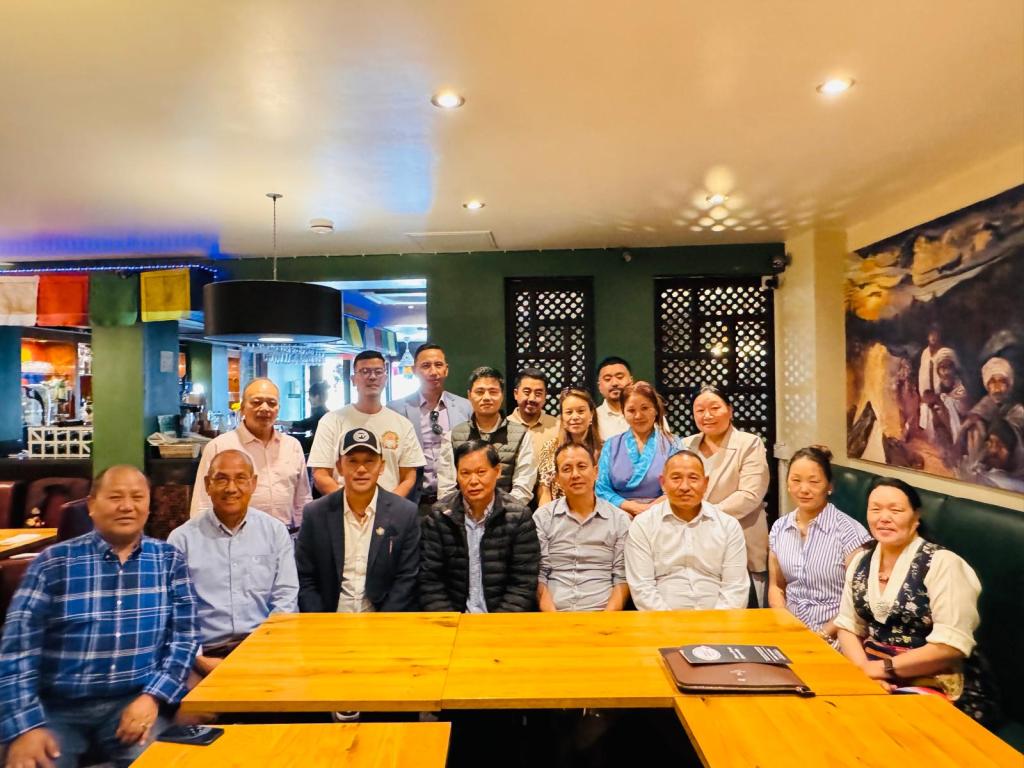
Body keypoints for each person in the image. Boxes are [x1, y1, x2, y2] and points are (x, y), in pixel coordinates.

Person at [0, 466, 198, 768]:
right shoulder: (52, 564)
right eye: (115, 497)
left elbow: (185, 638)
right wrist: (25, 727)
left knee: (164, 761)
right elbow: (17, 650)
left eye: (137, 497)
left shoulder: (168, 560)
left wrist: (153, 697)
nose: (127, 506)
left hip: (133, 701)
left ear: (149, 505)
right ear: (91, 505)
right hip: (55, 708)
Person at [835, 477, 1001, 727]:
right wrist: (863, 671)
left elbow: (949, 646)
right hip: (875, 674)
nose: (884, 517)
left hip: (939, 683)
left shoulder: (942, 564)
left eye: (896, 510)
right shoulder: (861, 562)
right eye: (875, 509)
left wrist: (881, 669)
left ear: (916, 518)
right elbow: (848, 625)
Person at [169, 450, 298, 676]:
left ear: (253, 483)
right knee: (195, 700)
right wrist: (198, 659)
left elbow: (285, 597)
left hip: (263, 648)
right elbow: (176, 609)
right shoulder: (182, 539)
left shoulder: (275, 532)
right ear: (208, 485)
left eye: (240, 478)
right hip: (204, 654)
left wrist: (265, 651)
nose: (231, 488)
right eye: (221, 479)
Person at [295, 428, 420, 613]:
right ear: (339, 467)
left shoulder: (404, 513)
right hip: (329, 619)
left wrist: (382, 624)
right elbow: (305, 578)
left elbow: (407, 579)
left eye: (369, 461)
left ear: (382, 466)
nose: (361, 469)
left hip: (384, 620)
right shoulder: (316, 514)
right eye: (352, 461)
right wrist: (322, 622)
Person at [420, 440, 539, 613]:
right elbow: (430, 582)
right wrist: (450, 622)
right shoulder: (439, 516)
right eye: (465, 473)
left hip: (502, 620)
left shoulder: (519, 517)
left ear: (497, 471)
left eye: (481, 472)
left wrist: (495, 624)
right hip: (453, 619)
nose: (473, 481)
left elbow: (523, 584)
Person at [767, 446, 870, 645]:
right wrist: (785, 625)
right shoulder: (780, 527)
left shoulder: (850, 533)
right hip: (789, 633)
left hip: (836, 637)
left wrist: (821, 636)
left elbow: (856, 603)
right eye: (796, 480)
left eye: (814, 482)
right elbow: (776, 586)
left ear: (829, 486)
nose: (804, 489)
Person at [625, 450, 749, 611]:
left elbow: (735, 588)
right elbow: (642, 588)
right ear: (663, 482)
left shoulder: (728, 526)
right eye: (676, 478)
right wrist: (670, 623)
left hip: (719, 620)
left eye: (693, 478)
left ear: (705, 483)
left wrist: (716, 622)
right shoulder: (643, 524)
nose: (684, 486)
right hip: (661, 621)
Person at [681, 385, 770, 606]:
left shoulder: (749, 443)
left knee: (742, 609)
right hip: (695, 544)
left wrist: (702, 515)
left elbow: (750, 494)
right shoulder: (685, 445)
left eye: (715, 408)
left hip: (741, 537)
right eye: (700, 410)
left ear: (730, 410)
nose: (707, 415)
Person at [190, 377, 312, 531]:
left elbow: (302, 499)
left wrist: (306, 535)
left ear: (278, 409)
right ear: (242, 408)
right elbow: (202, 504)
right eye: (256, 402)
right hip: (234, 537)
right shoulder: (219, 447)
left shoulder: (292, 446)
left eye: (272, 403)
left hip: (285, 536)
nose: (265, 408)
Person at [308, 350, 426, 498]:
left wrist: (388, 506)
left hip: (388, 509)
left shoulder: (403, 424)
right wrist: (350, 505)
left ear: (385, 378)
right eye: (365, 371)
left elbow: (408, 477)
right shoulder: (331, 421)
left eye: (378, 372)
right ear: (353, 379)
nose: (372, 377)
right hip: (341, 508)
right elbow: (320, 474)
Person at [535, 443, 630, 612]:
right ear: (557, 478)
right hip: (554, 615)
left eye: (582, 466)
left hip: (603, 615)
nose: (575, 475)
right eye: (566, 469)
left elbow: (621, 578)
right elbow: (540, 576)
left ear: (596, 472)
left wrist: (606, 621)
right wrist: (553, 620)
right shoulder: (543, 518)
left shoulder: (619, 519)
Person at [387, 343, 473, 516]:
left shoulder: (465, 407)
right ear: (414, 370)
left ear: (446, 370)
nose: (433, 371)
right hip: (414, 502)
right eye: (426, 366)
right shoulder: (396, 410)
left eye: (438, 365)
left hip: (456, 501)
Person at [435, 367, 537, 506]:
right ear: (469, 395)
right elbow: (446, 489)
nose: (487, 397)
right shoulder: (453, 436)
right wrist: (468, 513)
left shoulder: (522, 435)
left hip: (507, 515)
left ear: (502, 395)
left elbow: (523, 487)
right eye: (480, 392)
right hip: (462, 516)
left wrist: (500, 512)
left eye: (493, 392)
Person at [596, 381, 677, 517]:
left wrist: (649, 509)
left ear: (656, 410)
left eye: (645, 408)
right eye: (631, 410)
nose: (638, 416)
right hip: (618, 514)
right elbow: (602, 489)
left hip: (661, 513)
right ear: (623, 412)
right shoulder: (611, 445)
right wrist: (631, 507)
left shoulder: (673, 444)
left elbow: (678, 485)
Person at [536, 388, 603, 507]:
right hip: (558, 513)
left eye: (581, 411)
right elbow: (545, 490)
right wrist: (546, 516)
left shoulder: (605, 449)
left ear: (591, 414)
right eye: (569, 412)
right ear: (562, 417)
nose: (575, 417)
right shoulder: (550, 448)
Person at [960, 356, 1024, 462]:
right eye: (993, 382)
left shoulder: (1017, 411)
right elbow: (966, 427)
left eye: (1002, 381)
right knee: (975, 427)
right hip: (985, 457)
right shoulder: (983, 406)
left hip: (1012, 460)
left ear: (1008, 385)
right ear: (988, 386)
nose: (997, 387)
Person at [508, 367, 559, 461]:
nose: (532, 398)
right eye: (527, 392)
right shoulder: (503, 427)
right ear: (516, 394)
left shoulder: (558, 427)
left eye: (538, 393)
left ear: (545, 396)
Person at [594, 357, 634, 440]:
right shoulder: (593, 418)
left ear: (631, 381)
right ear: (599, 387)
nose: (614, 383)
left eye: (620, 377)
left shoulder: (645, 413)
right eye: (607, 379)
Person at [290, 380, 331, 445]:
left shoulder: (320, 414)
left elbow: (302, 425)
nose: (308, 399)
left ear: (316, 397)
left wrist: (279, 422)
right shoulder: (325, 412)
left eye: (310, 396)